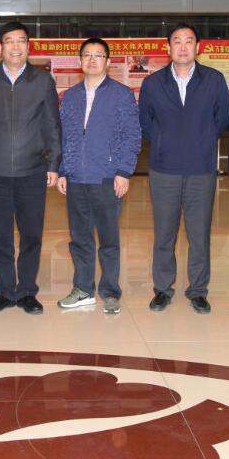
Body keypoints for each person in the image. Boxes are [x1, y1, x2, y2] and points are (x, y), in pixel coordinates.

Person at [0, 20, 62, 315]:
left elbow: (52, 124)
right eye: (9, 41)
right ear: (0, 46)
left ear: (28, 45)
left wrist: (53, 163)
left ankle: (26, 292)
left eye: (21, 41)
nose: (15, 46)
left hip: (33, 170)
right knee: (0, 237)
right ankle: (4, 291)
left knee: (31, 235)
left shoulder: (42, 81)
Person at [138, 22, 229, 314]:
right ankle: (163, 289)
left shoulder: (213, 80)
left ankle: (198, 291)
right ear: (167, 47)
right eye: (177, 41)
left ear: (198, 47)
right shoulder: (153, 83)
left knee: (198, 234)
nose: (182, 47)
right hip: (164, 168)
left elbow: (222, 118)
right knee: (164, 233)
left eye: (189, 41)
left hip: (200, 168)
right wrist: (163, 141)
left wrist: (202, 140)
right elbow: (145, 121)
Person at [55, 38, 141, 316]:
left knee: (108, 240)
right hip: (76, 178)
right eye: (87, 55)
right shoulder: (70, 96)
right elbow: (65, 137)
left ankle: (110, 292)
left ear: (108, 62)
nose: (92, 60)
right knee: (80, 238)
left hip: (107, 177)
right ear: (80, 61)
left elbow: (131, 136)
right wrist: (63, 170)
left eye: (98, 55)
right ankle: (82, 290)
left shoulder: (121, 95)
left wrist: (124, 171)